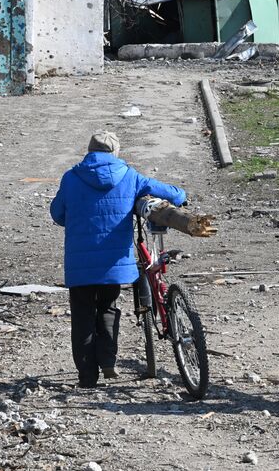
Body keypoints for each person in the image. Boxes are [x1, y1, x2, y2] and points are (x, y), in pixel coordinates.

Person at [50, 131, 186, 388]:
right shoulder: (128, 176)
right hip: (114, 263)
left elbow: (57, 214)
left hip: (80, 265)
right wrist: (181, 196)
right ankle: (108, 360)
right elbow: (169, 192)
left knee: (82, 315)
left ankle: (87, 377)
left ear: (89, 151)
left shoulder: (71, 177)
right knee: (108, 307)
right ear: (115, 153)